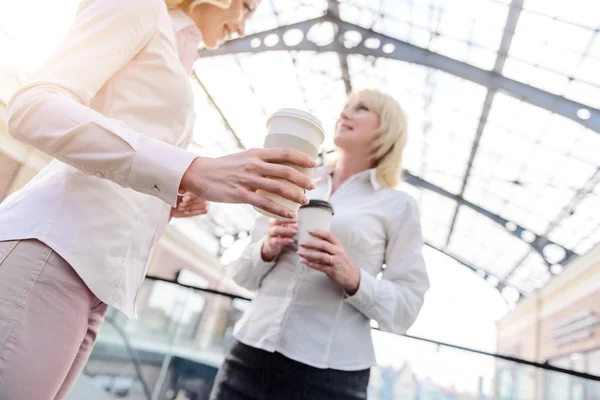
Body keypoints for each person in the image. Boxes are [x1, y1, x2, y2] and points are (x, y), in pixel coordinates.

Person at [0, 0, 317, 398]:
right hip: (54, 252)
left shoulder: (180, 53)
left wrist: (171, 196)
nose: (242, 26)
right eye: (247, 8)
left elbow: (120, 161)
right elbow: (34, 108)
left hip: (98, 281)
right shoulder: (138, 7)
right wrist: (190, 169)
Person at [210, 89, 431, 400]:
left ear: (386, 129)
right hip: (249, 356)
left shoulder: (398, 205)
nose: (345, 114)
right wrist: (266, 248)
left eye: (361, 108)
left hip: (329, 379)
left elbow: (407, 309)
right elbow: (242, 277)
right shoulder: (294, 178)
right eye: (345, 108)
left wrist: (353, 277)